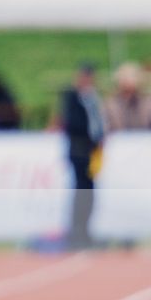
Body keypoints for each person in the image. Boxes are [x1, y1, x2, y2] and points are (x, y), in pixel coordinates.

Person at [56, 63, 105, 249]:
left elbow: (98, 121)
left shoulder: (92, 98)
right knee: (80, 191)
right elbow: (72, 123)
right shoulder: (73, 97)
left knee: (89, 192)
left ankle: (85, 230)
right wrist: (90, 136)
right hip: (79, 151)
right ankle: (77, 232)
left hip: (92, 152)